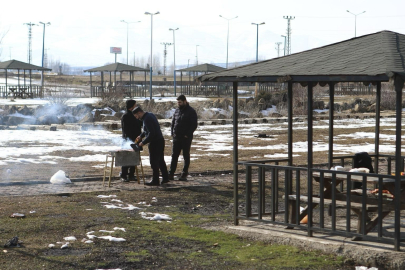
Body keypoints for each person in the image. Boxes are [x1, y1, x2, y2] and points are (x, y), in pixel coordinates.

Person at [133, 107, 169, 186]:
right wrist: (141, 136)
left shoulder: (146, 119)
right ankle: (165, 178)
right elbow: (147, 130)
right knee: (160, 160)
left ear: (139, 113)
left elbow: (151, 133)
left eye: (136, 116)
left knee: (154, 162)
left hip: (155, 142)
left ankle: (155, 180)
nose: (136, 118)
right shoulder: (149, 115)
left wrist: (143, 142)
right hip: (160, 140)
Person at [169, 95, 198, 181]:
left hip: (186, 138)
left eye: (180, 102)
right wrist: (172, 133)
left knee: (185, 155)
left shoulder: (191, 111)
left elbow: (194, 125)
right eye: (178, 102)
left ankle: (184, 173)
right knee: (174, 156)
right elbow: (173, 122)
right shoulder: (177, 110)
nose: (179, 104)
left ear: (185, 101)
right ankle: (171, 173)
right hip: (176, 137)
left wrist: (187, 135)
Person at [120, 99, 142, 182]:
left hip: (136, 140)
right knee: (126, 158)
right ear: (131, 106)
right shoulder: (126, 116)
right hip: (128, 141)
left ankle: (131, 174)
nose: (136, 106)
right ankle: (124, 175)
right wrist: (130, 141)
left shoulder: (134, 114)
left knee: (134, 158)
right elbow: (126, 131)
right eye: (135, 105)